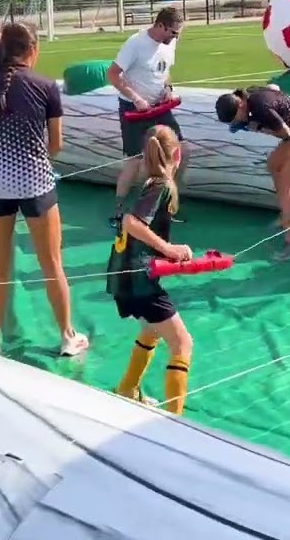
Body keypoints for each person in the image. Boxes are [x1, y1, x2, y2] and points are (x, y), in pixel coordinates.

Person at [0, 22, 88, 357]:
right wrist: (35, 157)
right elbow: (55, 144)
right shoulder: (46, 85)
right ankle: (66, 335)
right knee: (51, 262)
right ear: (32, 50)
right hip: (35, 182)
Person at [107, 125, 194, 414]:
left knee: (151, 330)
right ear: (177, 154)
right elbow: (133, 223)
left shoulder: (150, 183)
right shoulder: (162, 186)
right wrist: (170, 250)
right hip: (138, 280)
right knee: (182, 344)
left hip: (124, 277)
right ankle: (174, 418)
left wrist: (169, 253)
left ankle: (127, 389)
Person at [215, 84, 290, 261]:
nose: (237, 123)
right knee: (273, 164)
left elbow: (285, 132)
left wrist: (258, 127)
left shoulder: (259, 107)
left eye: (236, 119)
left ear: (241, 106)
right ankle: (287, 215)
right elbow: (274, 88)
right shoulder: (249, 98)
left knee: (285, 183)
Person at [108, 6, 185, 223]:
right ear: (160, 25)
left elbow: (165, 72)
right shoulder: (136, 43)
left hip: (159, 107)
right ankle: (118, 209)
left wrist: (168, 89)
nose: (175, 37)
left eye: (178, 32)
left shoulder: (170, 43)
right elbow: (113, 74)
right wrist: (136, 98)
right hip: (134, 110)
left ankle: (166, 204)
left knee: (181, 151)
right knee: (134, 161)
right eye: (173, 32)